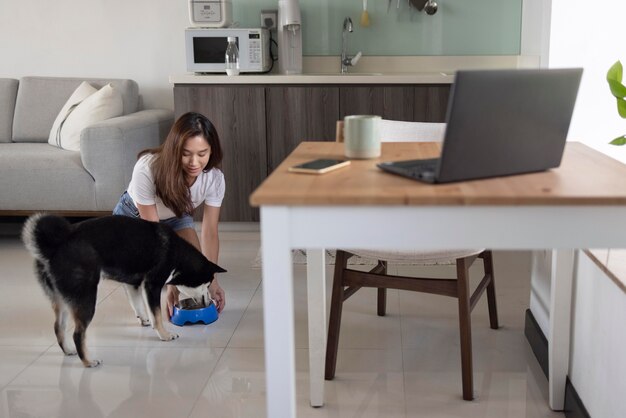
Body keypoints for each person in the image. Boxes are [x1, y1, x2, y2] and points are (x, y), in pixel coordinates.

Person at [113, 111, 225, 317]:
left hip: (176, 215)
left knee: (195, 266)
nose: (194, 162)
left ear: (211, 151)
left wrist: (213, 281)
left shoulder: (215, 178)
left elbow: (209, 231)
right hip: (135, 220)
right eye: (186, 153)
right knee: (137, 276)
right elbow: (154, 235)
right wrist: (171, 285)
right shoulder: (147, 168)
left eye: (202, 154)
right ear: (174, 150)